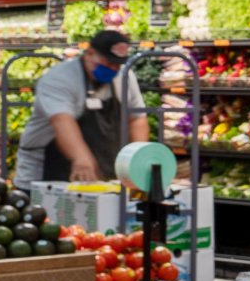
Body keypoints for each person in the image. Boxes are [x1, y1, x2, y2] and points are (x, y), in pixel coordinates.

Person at [12, 28, 151, 186]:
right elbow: (62, 121)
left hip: (102, 175)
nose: (113, 69)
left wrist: (135, 158)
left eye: (117, 65)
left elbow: (137, 119)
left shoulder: (124, 77)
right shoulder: (59, 78)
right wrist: (81, 158)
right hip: (45, 175)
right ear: (90, 53)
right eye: (108, 63)